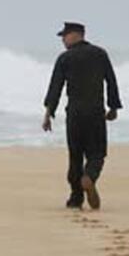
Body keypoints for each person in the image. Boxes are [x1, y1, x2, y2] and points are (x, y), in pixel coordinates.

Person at [42, 22, 123, 210]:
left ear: (76, 35)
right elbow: (111, 81)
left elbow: (55, 88)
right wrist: (113, 107)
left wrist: (48, 114)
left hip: (75, 114)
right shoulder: (100, 54)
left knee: (75, 155)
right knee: (97, 153)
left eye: (65, 35)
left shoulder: (64, 58)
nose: (62, 39)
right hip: (95, 112)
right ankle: (89, 177)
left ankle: (75, 198)